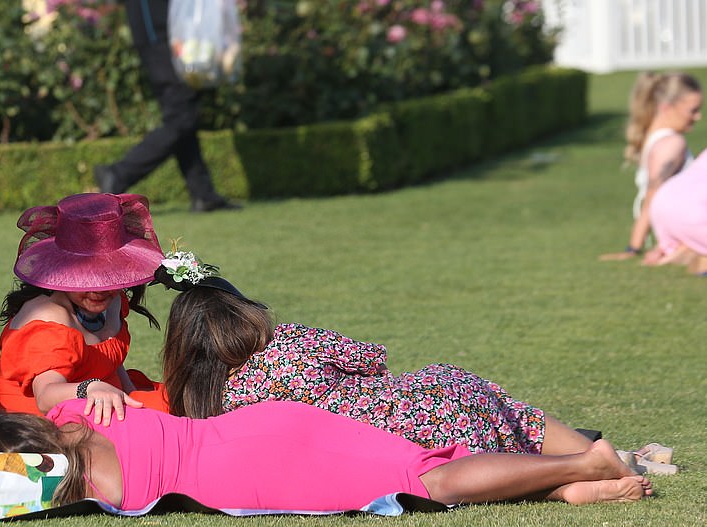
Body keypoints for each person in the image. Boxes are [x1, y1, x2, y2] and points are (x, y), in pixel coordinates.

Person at [153, 257, 608, 457]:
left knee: (494, 425)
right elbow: (373, 359)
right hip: (432, 412)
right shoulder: (291, 343)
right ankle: (590, 455)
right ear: (244, 312)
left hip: (396, 455)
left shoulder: (214, 409)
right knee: (486, 400)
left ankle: (579, 467)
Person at [0, 399, 652, 512]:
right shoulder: (78, 418)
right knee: (416, 464)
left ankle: (584, 463)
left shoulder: (56, 484)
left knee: (425, 482)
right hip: (259, 428)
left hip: (245, 469)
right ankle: (563, 486)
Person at [0, 192, 167, 424]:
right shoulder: (49, 319)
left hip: (98, 409)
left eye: (109, 275)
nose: (99, 289)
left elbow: (110, 365)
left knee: (177, 403)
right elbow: (46, 397)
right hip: (43, 433)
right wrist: (91, 387)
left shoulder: (110, 300)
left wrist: (138, 399)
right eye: (87, 277)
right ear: (64, 272)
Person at [93, 0, 239, 213]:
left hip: (167, 36)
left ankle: (203, 193)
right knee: (181, 118)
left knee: (184, 114)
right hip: (161, 39)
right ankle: (118, 174)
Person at [600, 72, 702, 261]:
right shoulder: (671, 144)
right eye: (693, 110)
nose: (698, 117)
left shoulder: (654, 140)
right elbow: (652, 198)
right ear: (666, 108)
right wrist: (633, 248)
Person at [647, 149, 707, 274]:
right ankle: (699, 256)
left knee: (688, 230)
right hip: (694, 209)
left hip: (664, 200)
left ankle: (683, 247)